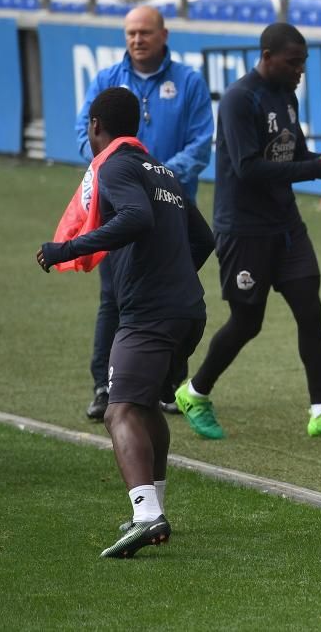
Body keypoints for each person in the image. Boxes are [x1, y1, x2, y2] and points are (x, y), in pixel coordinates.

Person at [39, 87, 214, 557]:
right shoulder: (163, 171)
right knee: (146, 406)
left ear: (96, 127)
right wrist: (174, 276)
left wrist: (67, 249)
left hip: (150, 314)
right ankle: (151, 506)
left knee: (119, 410)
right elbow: (205, 238)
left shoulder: (114, 166)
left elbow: (135, 217)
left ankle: (146, 515)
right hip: (187, 310)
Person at [172, 23, 321, 440]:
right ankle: (194, 391)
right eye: (293, 61)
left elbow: (293, 154)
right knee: (247, 322)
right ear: (267, 56)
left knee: (310, 311)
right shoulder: (239, 100)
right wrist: (317, 169)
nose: (300, 69)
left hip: (286, 226)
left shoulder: (285, 94)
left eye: (303, 62)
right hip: (243, 230)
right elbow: (248, 169)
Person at [76, 6, 213, 422]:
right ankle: (105, 385)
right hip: (117, 210)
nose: (137, 39)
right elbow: (84, 135)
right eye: (131, 32)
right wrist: (117, 169)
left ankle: (169, 383)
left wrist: (158, 178)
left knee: (176, 290)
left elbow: (202, 142)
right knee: (113, 297)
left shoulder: (188, 81)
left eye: (145, 32)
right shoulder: (106, 80)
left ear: (164, 34)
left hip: (173, 212)